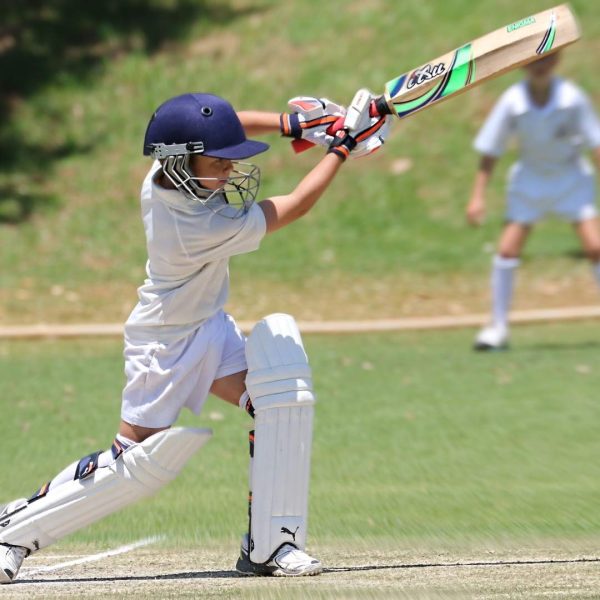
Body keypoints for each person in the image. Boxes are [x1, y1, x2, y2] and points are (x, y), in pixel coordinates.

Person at [0, 91, 391, 582]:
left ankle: (271, 545)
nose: (230, 170)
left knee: (279, 404)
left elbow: (226, 127)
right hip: (163, 344)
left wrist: (294, 124)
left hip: (209, 325)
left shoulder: (167, 169)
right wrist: (341, 146)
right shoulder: (195, 223)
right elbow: (292, 207)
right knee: (134, 463)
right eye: (219, 162)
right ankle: (11, 530)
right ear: (180, 160)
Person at [466, 52, 600, 350]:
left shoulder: (573, 98)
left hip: (571, 177)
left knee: (595, 247)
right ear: (522, 65)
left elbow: (596, 143)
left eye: (546, 60)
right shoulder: (512, 102)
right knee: (506, 250)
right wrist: (477, 196)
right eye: (533, 61)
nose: (539, 67)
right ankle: (497, 328)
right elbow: (491, 149)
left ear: (556, 62)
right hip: (530, 180)